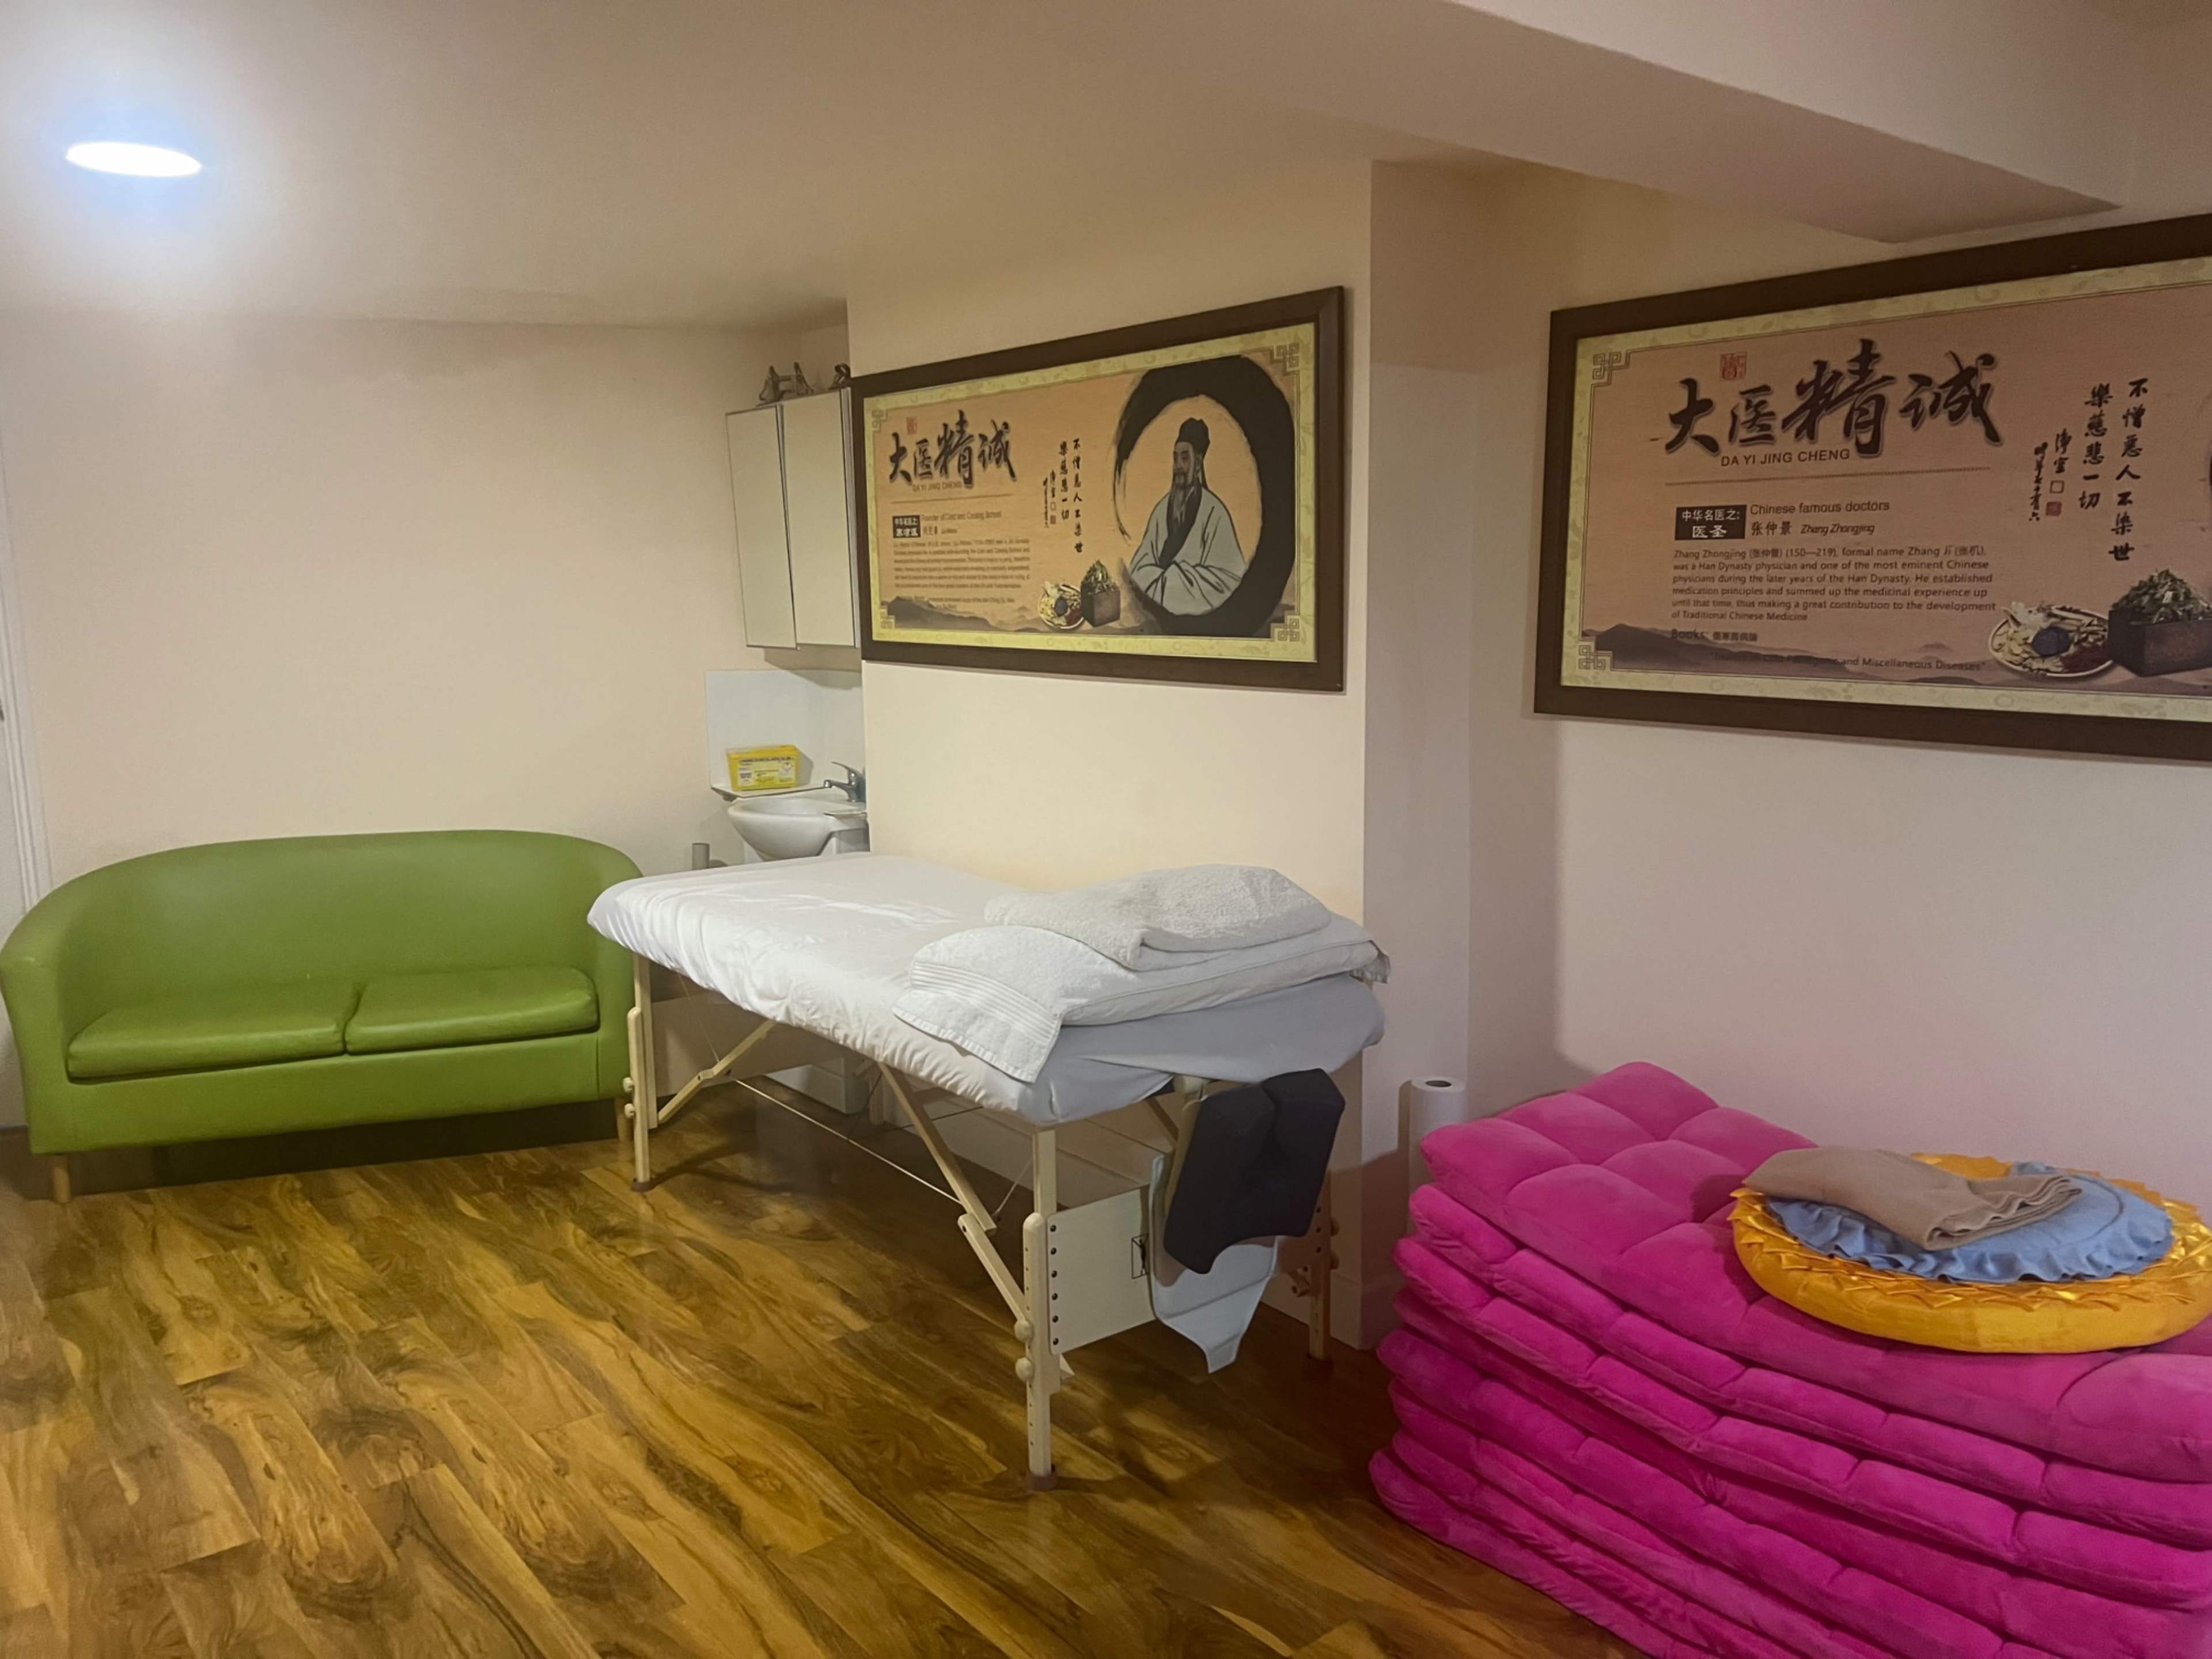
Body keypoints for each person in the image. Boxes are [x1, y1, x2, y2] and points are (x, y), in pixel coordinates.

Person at [1127, 418, 1247, 616]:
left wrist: (1174, 577)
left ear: (1198, 463)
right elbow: (1140, 567)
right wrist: (1164, 582)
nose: (1178, 466)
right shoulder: (1161, 510)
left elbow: (1230, 579)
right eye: (1175, 459)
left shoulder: (1214, 512)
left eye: (1185, 458)